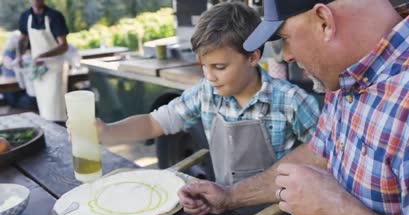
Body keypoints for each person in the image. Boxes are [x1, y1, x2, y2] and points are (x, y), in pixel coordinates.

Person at [178, 0, 409, 215]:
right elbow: (319, 153)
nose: (286, 56)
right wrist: (230, 196)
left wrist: (335, 210)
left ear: (324, 21)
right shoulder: (349, 73)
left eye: (284, 38)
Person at [91, 2, 320, 187]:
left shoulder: (291, 101)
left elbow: (324, 159)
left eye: (219, 67)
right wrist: (108, 132)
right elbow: (153, 123)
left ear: (253, 57)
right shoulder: (206, 93)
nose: (209, 76)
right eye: (204, 66)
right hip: (228, 210)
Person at [17, 0, 69, 122]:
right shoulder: (25, 16)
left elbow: (64, 46)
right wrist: (19, 55)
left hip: (54, 68)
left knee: (56, 107)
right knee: (44, 107)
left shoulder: (54, 16)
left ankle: (63, 134)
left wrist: (44, 56)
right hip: (38, 69)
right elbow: (22, 39)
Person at [1, 30, 37, 110]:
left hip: (21, 89)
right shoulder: (8, 53)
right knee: (33, 102)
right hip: (12, 91)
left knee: (35, 99)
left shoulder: (24, 53)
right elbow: (10, 65)